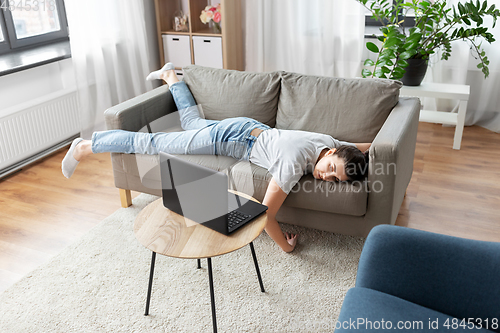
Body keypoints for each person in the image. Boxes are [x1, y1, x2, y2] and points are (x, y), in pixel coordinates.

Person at [62, 63, 371, 253]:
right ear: (329, 154)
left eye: (334, 179)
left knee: (192, 125)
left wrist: (378, 148)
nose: (325, 176)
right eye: (330, 169)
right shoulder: (292, 164)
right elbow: (266, 215)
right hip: (233, 140)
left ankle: (172, 77)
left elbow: (358, 146)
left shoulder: (329, 144)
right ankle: (86, 147)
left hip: (247, 128)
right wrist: (285, 246)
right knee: (154, 142)